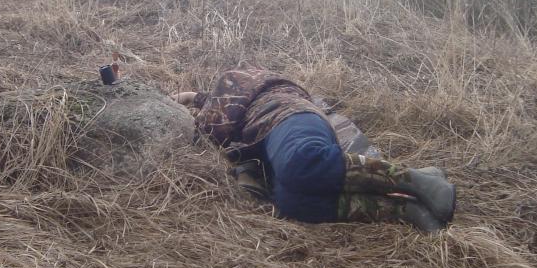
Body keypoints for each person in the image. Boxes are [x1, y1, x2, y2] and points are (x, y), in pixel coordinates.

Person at [174, 65, 456, 232]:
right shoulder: (232, 108)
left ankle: (418, 179)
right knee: (292, 204)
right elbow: (220, 115)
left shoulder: (244, 83)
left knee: (300, 160)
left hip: (288, 117)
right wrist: (195, 99)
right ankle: (404, 210)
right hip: (272, 140)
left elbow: (214, 125)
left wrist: (185, 107)